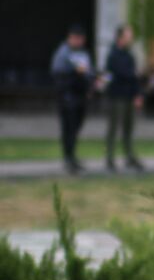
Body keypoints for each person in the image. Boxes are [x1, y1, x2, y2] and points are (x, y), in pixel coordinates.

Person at [51, 24, 94, 174]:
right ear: (71, 38)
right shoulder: (63, 53)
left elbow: (88, 72)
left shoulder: (83, 54)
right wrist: (74, 72)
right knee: (68, 128)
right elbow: (58, 73)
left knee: (76, 128)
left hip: (81, 97)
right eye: (77, 38)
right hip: (68, 98)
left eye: (82, 39)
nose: (80, 41)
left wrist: (90, 85)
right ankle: (68, 158)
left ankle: (73, 156)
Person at [103, 25, 144, 172]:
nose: (130, 38)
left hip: (129, 96)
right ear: (120, 38)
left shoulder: (129, 55)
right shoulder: (112, 55)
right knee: (113, 127)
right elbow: (116, 75)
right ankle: (109, 158)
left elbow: (134, 78)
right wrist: (131, 74)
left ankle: (129, 156)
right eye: (128, 36)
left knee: (129, 128)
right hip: (116, 97)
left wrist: (138, 94)